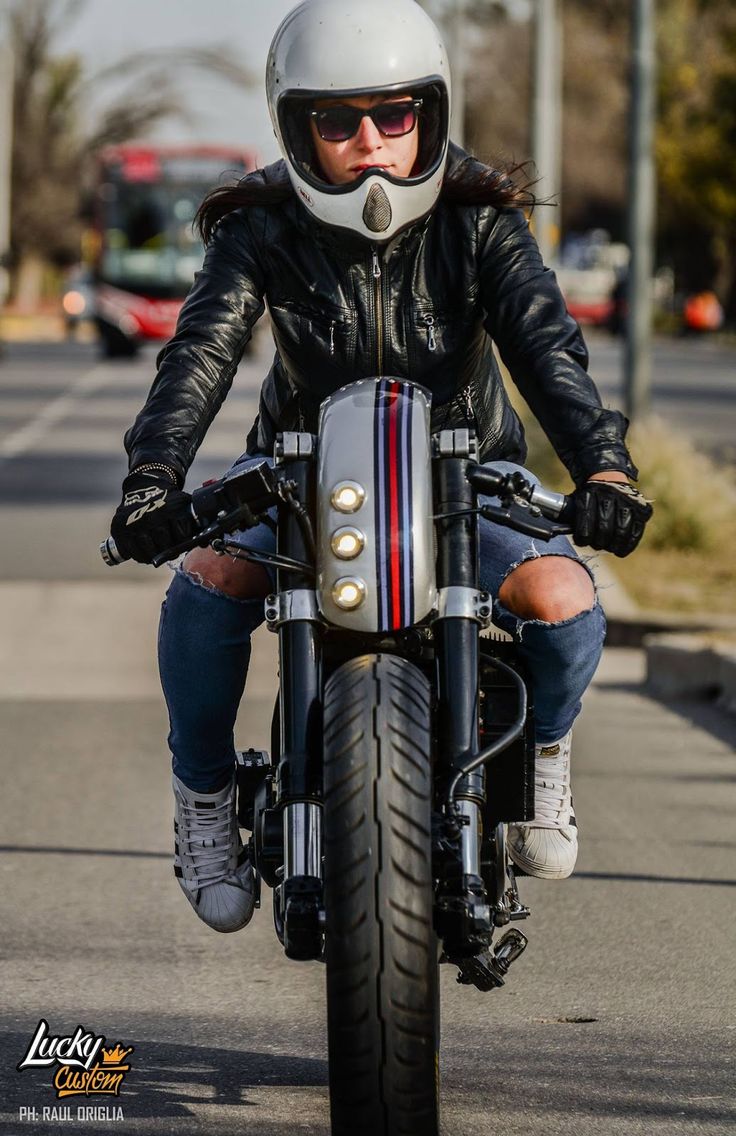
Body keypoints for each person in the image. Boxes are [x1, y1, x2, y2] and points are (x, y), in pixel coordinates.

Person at [109, 0, 652, 934]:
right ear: (297, 127)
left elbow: (546, 350)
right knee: (208, 579)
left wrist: (603, 471)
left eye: (393, 116)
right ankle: (203, 799)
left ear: (429, 116)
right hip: (296, 479)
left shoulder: (481, 218)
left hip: (464, 480)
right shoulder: (260, 226)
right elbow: (197, 356)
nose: (369, 142)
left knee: (564, 602)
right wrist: (153, 480)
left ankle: (545, 755)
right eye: (337, 120)